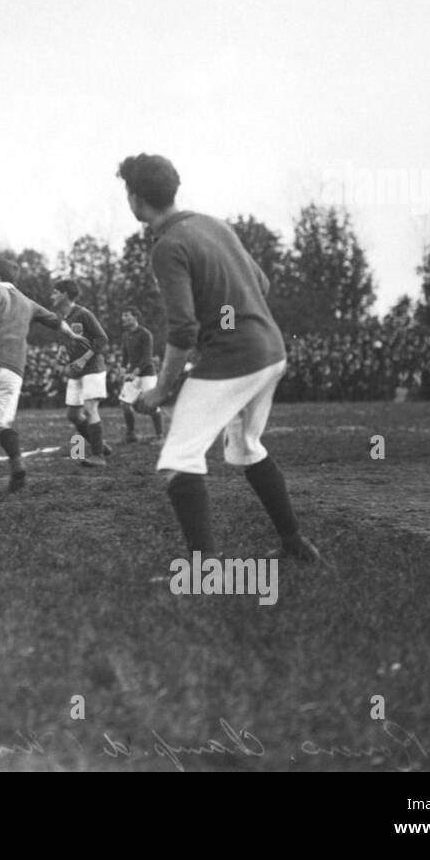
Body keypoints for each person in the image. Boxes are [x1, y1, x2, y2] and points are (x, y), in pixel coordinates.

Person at [120, 152, 322, 562]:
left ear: (137, 198)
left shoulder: (167, 246)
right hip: (271, 350)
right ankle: (296, 544)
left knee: (179, 459)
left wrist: (162, 388)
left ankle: (205, 571)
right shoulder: (215, 225)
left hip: (237, 358)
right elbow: (260, 283)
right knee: (247, 448)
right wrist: (226, 319)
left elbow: (183, 329)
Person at [0, 258, 89, 491]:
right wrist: (72, 336)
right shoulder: (27, 302)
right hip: (14, 369)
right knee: (2, 424)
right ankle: (17, 463)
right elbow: (56, 321)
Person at [50, 280, 111, 467]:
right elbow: (71, 342)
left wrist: (84, 359)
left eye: (55, 292)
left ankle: (98, 456)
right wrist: (61, 353)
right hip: (76, 372)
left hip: (92, 368)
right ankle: (99, 444)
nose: (52, 296)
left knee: (90, 408)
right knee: (73, 416)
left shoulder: (84, 314)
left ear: (65, 295)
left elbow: (102, 339)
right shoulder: (63, 318)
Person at [118, 307, 162, 444]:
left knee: (150, 404)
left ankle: (160, 436)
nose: (123, 318)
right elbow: (125, 357)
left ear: (135, 317)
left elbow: (147, 358)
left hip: (147, 374)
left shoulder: (145, 334)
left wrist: (133, 373)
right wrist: (122, 370)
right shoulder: (126, 335)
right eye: (122, 315)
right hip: (133, 374)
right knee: (125, 404)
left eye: (126, 315)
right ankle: (131, 434)